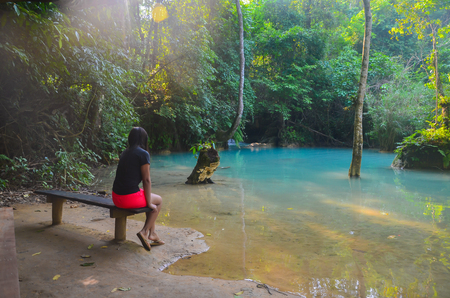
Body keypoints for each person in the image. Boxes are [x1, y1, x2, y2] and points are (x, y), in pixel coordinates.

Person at [112, 127, 164, 251]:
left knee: (148, 196)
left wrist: (148, 200)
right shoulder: (143, 154)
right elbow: (146, 180)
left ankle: (153, 234)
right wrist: (150, 203)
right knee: (159, 200)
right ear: (144, 139)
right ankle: (145, 232)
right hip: (127, 199)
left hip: (116, 197)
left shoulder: (125, 152)